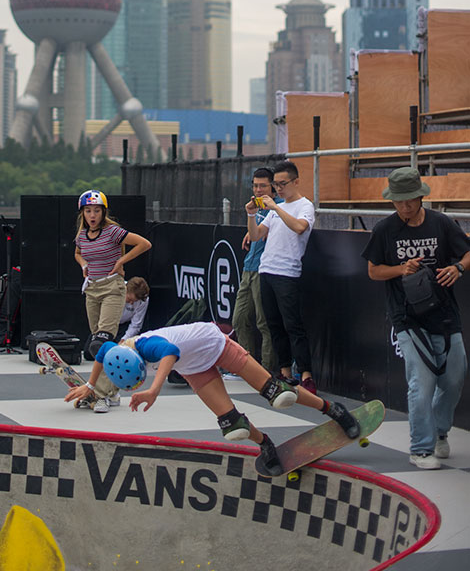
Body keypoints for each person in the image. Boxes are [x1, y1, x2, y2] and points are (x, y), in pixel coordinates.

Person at [63, 321, 359, 476]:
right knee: (233, 425)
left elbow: (170, 353)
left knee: (277, 394)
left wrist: (154, 389)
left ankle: (332, 409)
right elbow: (100, 355)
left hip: (214, 344)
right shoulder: (116, 350)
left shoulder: (149, 345)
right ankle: (265, 444)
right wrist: (90, 385)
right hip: (194, 367)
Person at [362, 166, 470, 470]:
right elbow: (373, 271)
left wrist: (458, 268)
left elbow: (468, 253)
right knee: (420, 384)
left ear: (420, 197)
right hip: (407, 318)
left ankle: (439, 431)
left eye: (409, 201)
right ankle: (420, 449)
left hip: (446, 314)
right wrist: (400, 269)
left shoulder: (442, 223)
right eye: (398, 202)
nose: (404, 207)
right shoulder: (385, 229)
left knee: (454, 378)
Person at [74, 190, 151, 413]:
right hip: (92, 289)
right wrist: (82, 265)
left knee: (102, 343)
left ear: (103, 212)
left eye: (96, 211)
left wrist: (121, 261)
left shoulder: (113, 232)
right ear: (83, 214)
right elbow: (78, 252)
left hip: (112, 287)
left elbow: (144, 244)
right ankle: (112, 389)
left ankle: (99, 395)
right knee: (98, 344)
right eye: (88, 211)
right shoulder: (81, 235)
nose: (92, 215)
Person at [247, 159, 318, 393]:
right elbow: (257, 235)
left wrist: (276, 207)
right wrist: (250, 215)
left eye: (282, 184)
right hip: (267, 269)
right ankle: (285, 371)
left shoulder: (304, 205)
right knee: (274, 325)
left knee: (293, 325)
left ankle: (306, 374)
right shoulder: (276, 210)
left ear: (295, 182)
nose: (279, 189)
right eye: (276, 184)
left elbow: (300, 228)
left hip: (287, 272)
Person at [232, 167, 276, 370]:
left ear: (273, 187)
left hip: (264, 270)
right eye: (255, 185)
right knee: (239, 319)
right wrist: (250, 232)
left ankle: (267, 371)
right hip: (248, 267)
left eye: (263, 186)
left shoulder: (279, 208)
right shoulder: (255, 207)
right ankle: (246, 368)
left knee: (264, 322)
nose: (258, 190)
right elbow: (256, 231)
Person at [116, 276, 150, 341]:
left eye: (135, 301)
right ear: (125, 289)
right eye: (129, 299)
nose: (131, 303)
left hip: (124, 326)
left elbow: (136, 325)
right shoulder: (114, 289)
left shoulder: (143, 301)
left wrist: (123, 340)